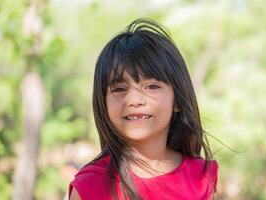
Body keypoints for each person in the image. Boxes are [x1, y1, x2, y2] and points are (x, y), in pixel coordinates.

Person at [68, 18, 218, 200]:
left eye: (152, 86)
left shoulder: (199, 176)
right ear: (103, 103)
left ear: (177, 99)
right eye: (120, 89)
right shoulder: (89, 186)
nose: (134, 100)